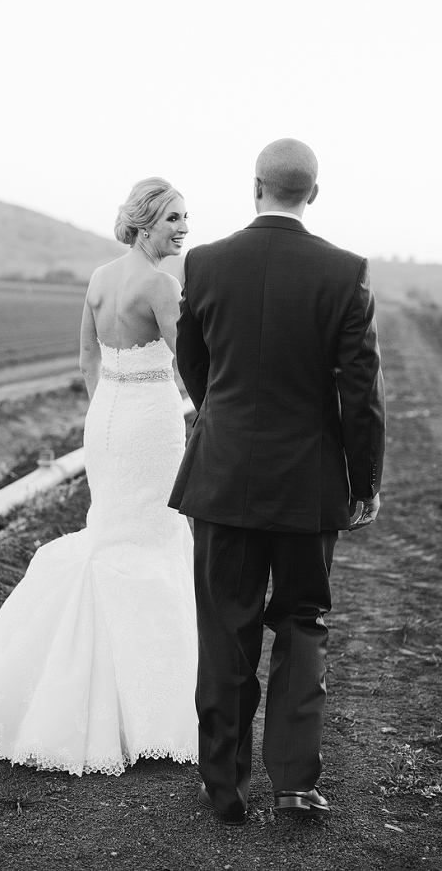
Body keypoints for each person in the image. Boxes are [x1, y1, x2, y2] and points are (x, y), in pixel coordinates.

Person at [0, 177, 198, 775]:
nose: (184, 228)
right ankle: (150, 703)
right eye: (174, 219)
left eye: (187, 217)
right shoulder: (161, 285)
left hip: (105, 416)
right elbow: (192, 364)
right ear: (145, 223)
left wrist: (106, 407)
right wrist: (194, 409)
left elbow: (87, 358)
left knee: (111, 534)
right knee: (149, 538)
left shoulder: (101, 278)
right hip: (152, 420)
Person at [171, 139, 384, 824]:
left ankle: (223, 789)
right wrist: (363, 479)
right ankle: (294, 784)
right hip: (308, 482)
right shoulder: (344, 272)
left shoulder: (203, 263)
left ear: (253, 186)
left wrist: (226, 423)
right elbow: (360, 391)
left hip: (224, 476)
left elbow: (194, 368)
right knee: (301, 626)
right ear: (312, 194)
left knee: (224, 629)